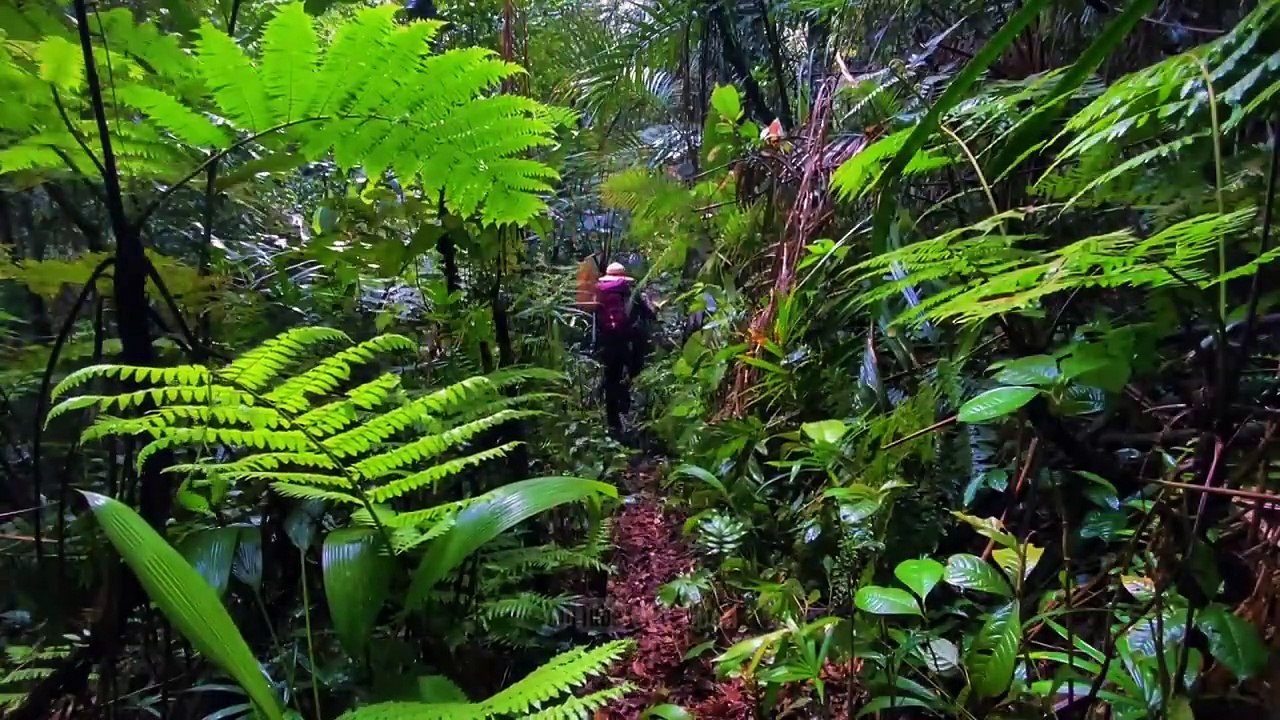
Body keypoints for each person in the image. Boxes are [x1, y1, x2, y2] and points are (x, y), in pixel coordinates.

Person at [594, 261, 652, 436]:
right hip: (626, 342)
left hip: (606, 344)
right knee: (633, 374)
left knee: (610, 379)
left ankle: (613, 424)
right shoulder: (630, 293)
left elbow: (593, 318)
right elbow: (649, 313)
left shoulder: (599, 293)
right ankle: (628, 411)